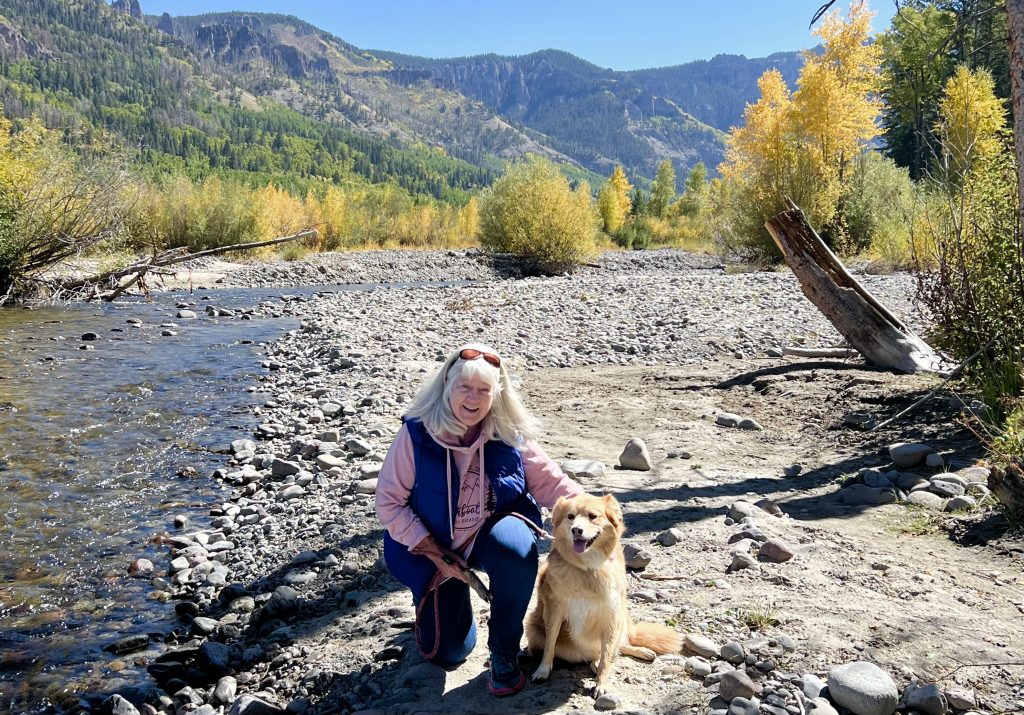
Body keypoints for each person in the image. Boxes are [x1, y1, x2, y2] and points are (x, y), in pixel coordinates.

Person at [376, 343, 583, 696]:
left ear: (496, 395)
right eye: (465, 388)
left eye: (484, 390)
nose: (473, 398)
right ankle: (447, 600)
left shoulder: (507, 431)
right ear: (447, 387)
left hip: (485, 535)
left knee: (517, 549)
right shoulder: (416, 434)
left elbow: (551, 482)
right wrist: (436, 555)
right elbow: (389, 503)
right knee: (449, 654)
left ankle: (503, 652)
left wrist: (591, 515)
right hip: (431, 546)